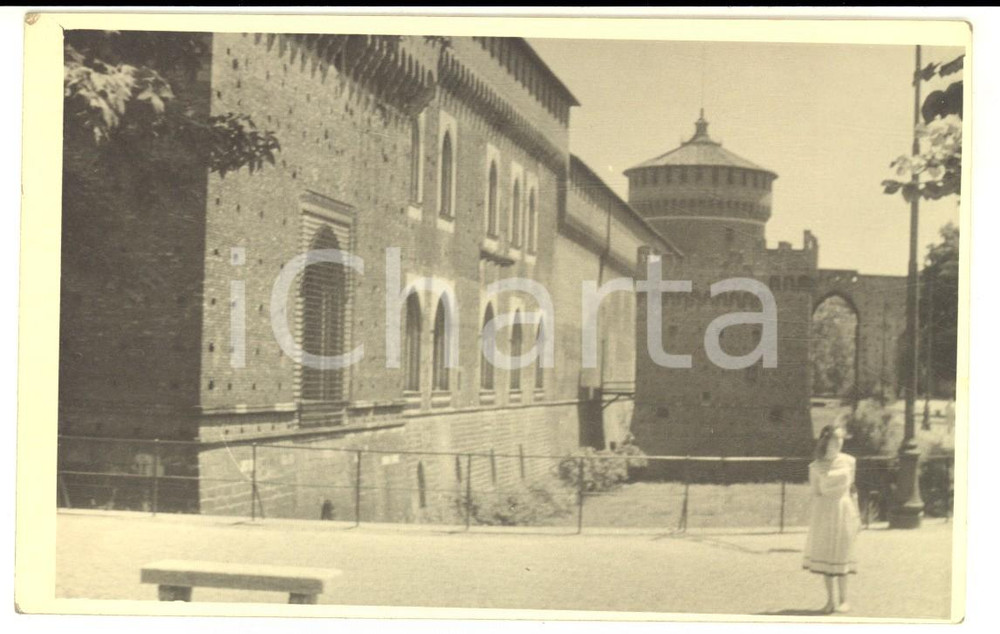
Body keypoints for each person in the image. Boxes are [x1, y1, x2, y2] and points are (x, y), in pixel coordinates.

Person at [803, 425, 861, 614]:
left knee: (842, 552)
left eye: (841, 439)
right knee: (827, 555)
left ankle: (845, 599)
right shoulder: (815, 466)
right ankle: (830, 601)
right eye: (835, 440)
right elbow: (815, 492)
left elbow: (852, 488)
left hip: (844, 509)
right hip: (825, 511)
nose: (839, 443)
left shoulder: (849, 461)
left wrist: (857, 514)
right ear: (826, 441)